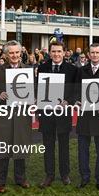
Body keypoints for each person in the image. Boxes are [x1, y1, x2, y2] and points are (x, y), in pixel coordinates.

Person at [0, 41, 33, 193]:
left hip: (22, 115)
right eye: (11, 53)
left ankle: (21, 179)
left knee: (20, 146)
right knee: (1, 148)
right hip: (3, 116)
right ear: (6, 55)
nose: (14, 55)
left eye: (17, 52)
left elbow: (35, 91)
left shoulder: (29, 70)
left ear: (21, 53)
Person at [37, 41, 77, 187]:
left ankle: (65, 174)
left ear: (64, 52)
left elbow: (75, 92)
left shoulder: (72, 70)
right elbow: (38, 89)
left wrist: (68, 101)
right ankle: (49, 175)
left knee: (64, 146)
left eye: (59, 51)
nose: (56, 54)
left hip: (63, 114)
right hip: (46, 113)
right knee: (48, 146)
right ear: (49, 52)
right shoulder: (42, 68)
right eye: (53, 51)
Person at [75, 43, 99, 190]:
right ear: (89, 54)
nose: (95, 55)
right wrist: (76, 100)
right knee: (83, 149)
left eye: (98, 53)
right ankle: (84, 177)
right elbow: (76, 90)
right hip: (84, 115)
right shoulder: (81, 71)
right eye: (92, 53)